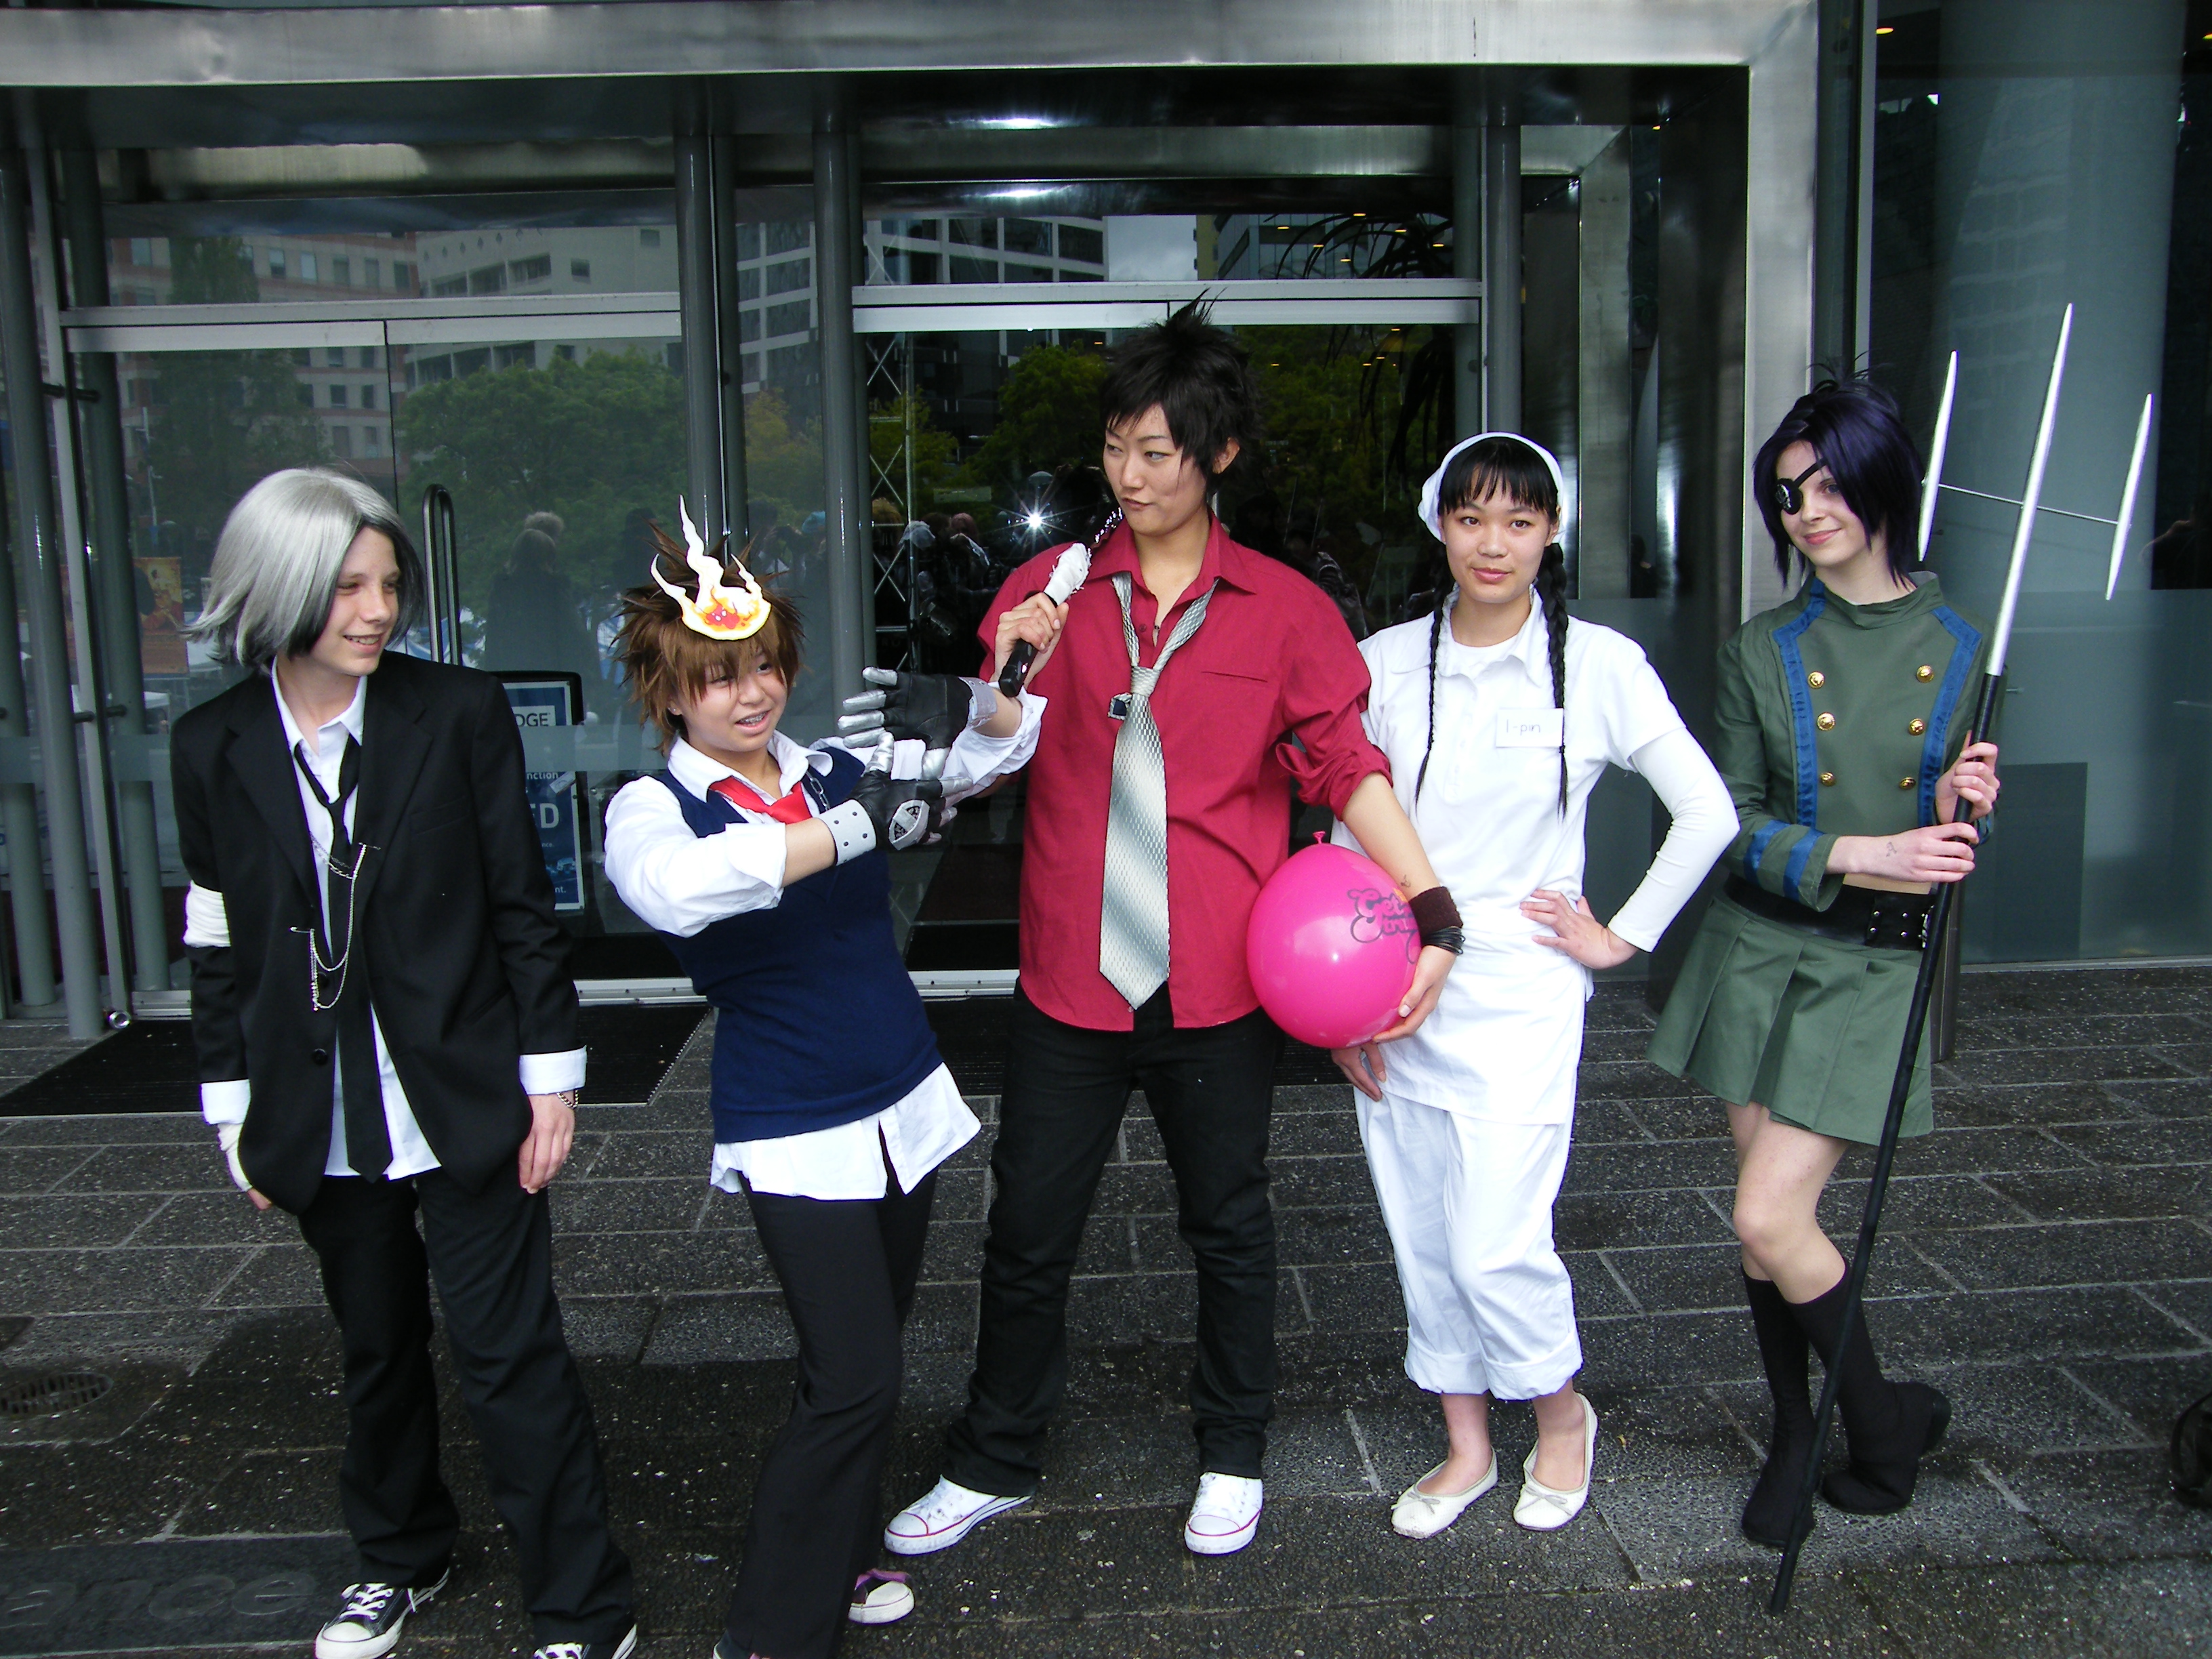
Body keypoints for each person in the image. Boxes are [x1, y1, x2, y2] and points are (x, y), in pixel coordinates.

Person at [875, 301, 1462, 1560]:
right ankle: (992, 1458)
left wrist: (1431, 908)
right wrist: (1002, 683)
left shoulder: (1286, 612)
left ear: (1219, 455)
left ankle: (1234, 1451)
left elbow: (1346, 769)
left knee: (1230, 1226)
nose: (1130, 476)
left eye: (1156, 452)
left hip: (1220, 983)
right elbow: (987, 758)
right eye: (1115, 448)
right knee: (1028, 1230)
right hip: (1070, 977)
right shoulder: (1047, 594)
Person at [171, 468, 636, 1659]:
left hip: (464, 1091)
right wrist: (232, 1112)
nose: (378, 611)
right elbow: (216, 944)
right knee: (374, 1349)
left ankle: (583, 1608)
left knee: (508, 1355)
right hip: (315, 1108)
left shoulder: (457, 712)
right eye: (347, 587)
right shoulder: (213, 745)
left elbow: (522, 903)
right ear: (277, 590)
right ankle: (400, 1557)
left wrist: (551, 1078)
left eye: (387, 585)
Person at [600, 508, 1043, 1659]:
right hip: (794, 1120)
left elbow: (992, 760)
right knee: (856, 1376)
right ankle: (771, 1631)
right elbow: (681, 890)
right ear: (671, 692)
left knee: (866, 1355)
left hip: (901, 1096)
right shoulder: (654, 809)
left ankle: (842, 1555)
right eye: (718, 677)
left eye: (764, 667)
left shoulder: (834, 769)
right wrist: (850, 831)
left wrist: (983, 693)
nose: (750, 695)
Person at [1330, 433, 1735, 1538]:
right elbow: (1353, 832)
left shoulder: (1598, 665)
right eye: (1471, 518)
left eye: (1519, 520)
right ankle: (1465, 1444)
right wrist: (1341, 1002)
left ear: (1553, 531)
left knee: (1495, 1240)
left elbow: (1708, 810)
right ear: (1440, 525)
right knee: (1422, 1228)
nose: (1493, 543)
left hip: (1519, 990)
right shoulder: (1382, 661)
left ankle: (1561, 1415)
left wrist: (1621, 936)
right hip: (1400, 982)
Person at [1647, 380, 2001, 1542]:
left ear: (1882, 482)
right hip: (1760, 950)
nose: (1807, 513)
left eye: (1828, 486)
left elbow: (1952, 834)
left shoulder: (1963, 648)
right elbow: (1730, 820)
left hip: (1874, 961)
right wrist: (1862, 849)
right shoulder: (1762, 648)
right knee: (1764, 1227)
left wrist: (1958, 811)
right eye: (1788, 496)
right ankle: (1800, 1433)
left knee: (1766, 1215)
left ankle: (1882, 1420)